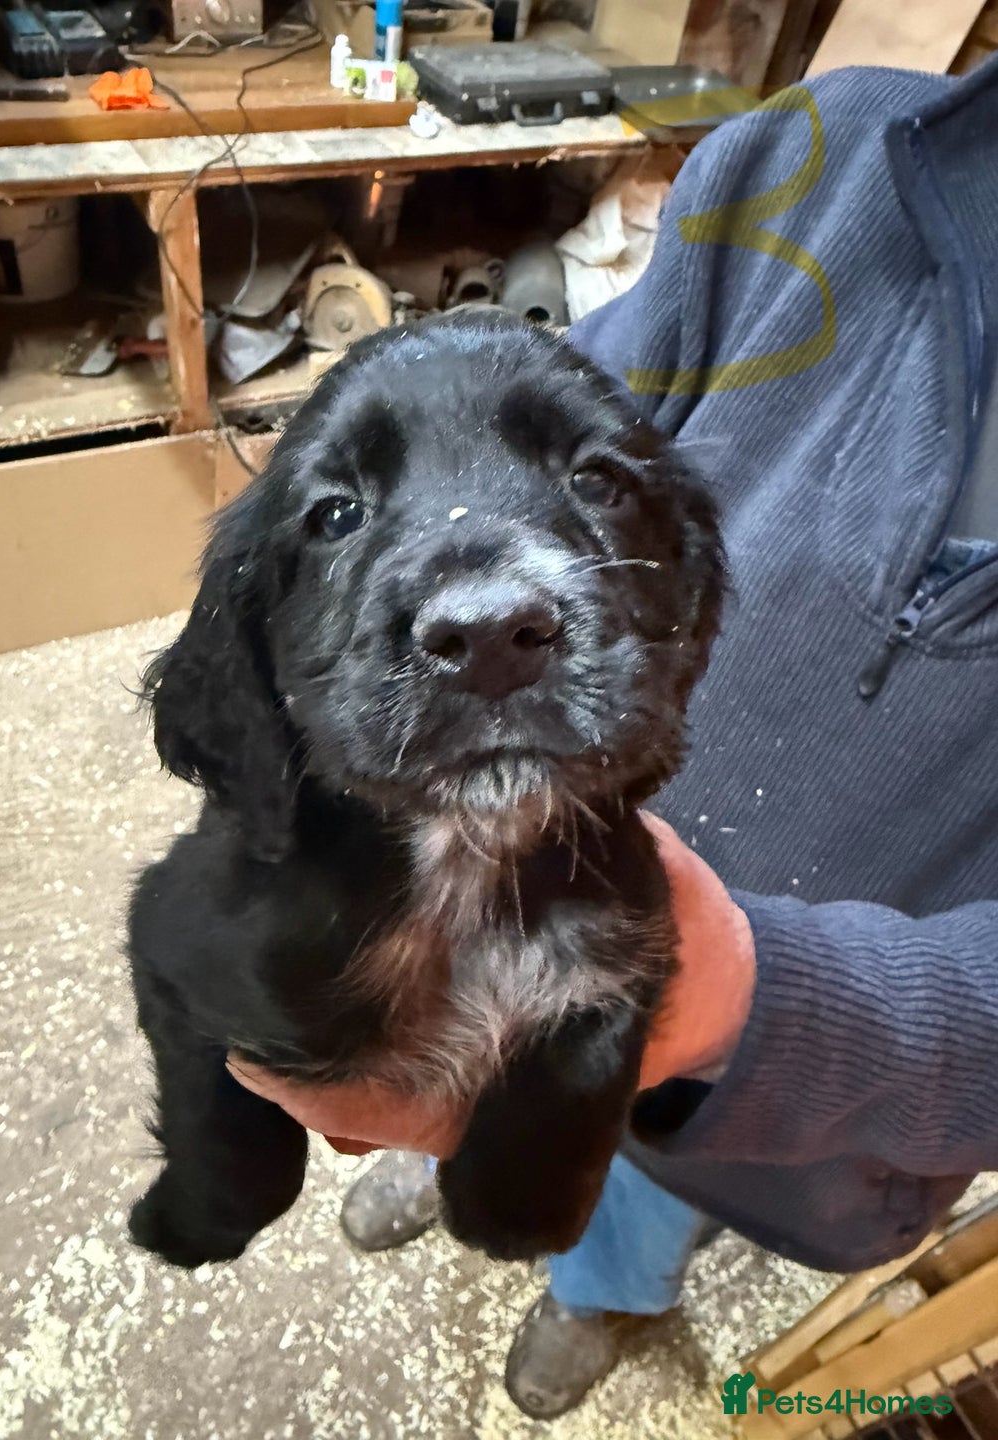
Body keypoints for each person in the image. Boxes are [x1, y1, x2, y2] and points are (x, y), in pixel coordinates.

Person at [229, 55, 998, 1418]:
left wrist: (742, 995)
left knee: (641, 1178)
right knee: (457, 1059)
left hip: (809, 1067)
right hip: (507, 885)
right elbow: (550, 407)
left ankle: (603, 1292)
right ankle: (459, 1151)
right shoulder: (823, 161)